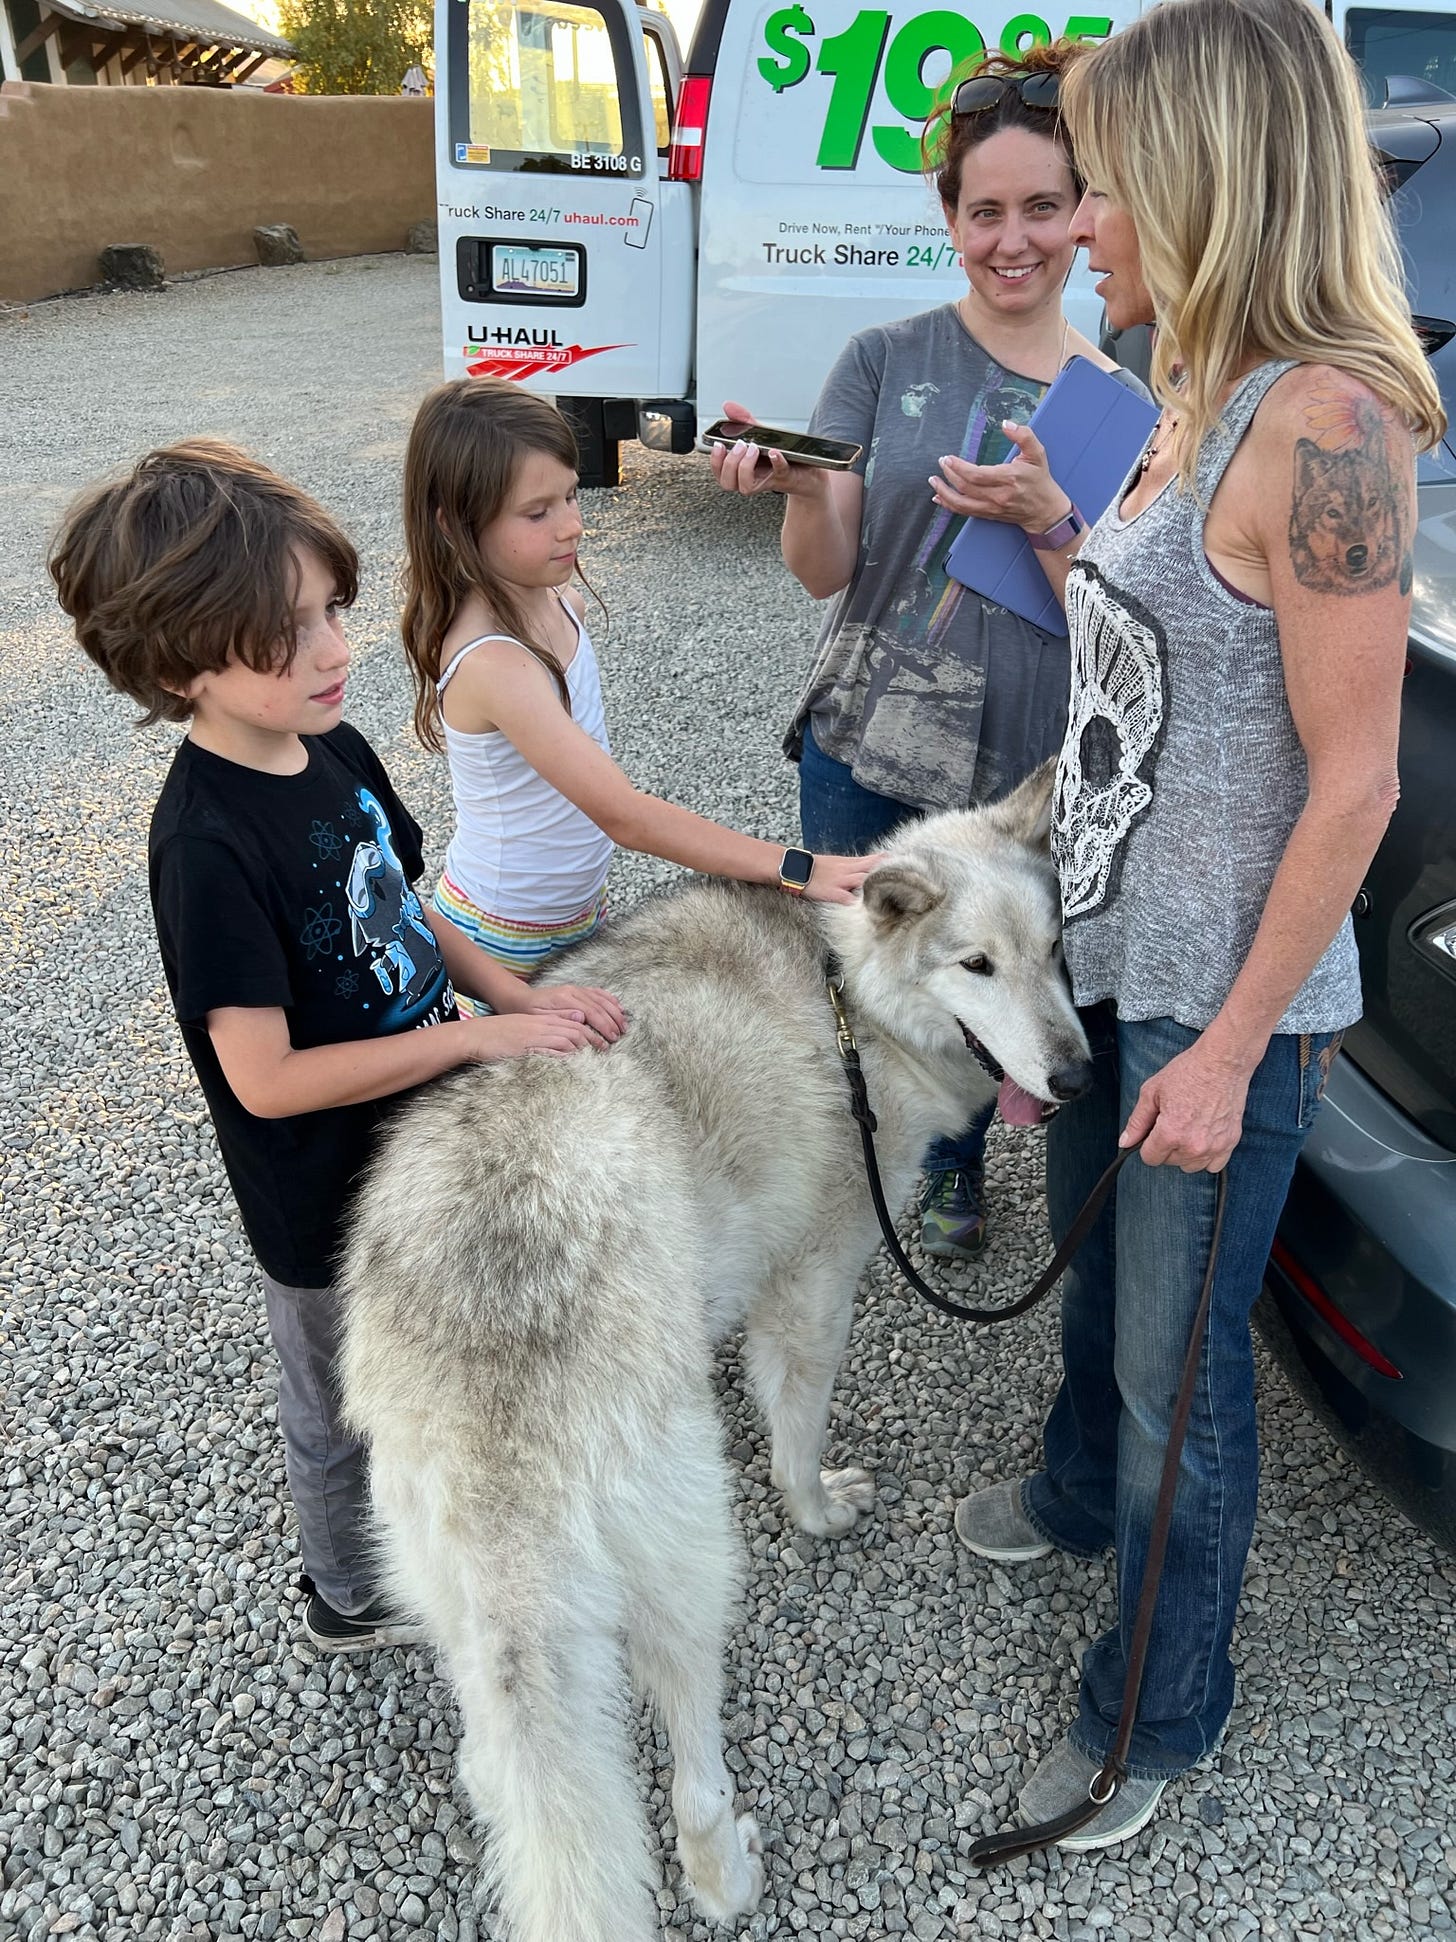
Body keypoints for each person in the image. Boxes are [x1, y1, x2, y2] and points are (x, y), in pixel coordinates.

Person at [948, 0, 1444, 1846]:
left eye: (1105, 187)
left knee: (1180, 1373)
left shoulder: (1324, 418)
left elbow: (1356, 781)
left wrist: (1232, 1049)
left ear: (1207, 174)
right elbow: (1163, 661)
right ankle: (1080, 1496)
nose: (1078, 226)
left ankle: (1153, 1720)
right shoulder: (1177, 387)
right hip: (1107, 965)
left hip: (1212, 1006)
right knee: (1105, 1310)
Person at [49, 442, 627, 1651]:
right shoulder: (204, 847)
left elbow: (412, 916)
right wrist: (476, 1045)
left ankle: (447, 1535)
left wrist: (518, 1001)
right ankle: (351, 1593)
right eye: (284, 631)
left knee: (437, 1367)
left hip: (419, 1149)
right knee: (339, 1405)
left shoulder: (340, 753)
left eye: (332, 611)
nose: (332, 649)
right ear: (176, 659)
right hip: (319, 1201)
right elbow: (263, 1080)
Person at [711, 41, 1147, 1260]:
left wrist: (1047, 519)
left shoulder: (1126, 400)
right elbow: (825, 570)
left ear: (1083, 215)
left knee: (997, 966)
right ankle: (864, 1154)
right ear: (947, 215)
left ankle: (959, 1156)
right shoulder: (882, 360)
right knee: (869, 981)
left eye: (1045, 209)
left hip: (1020, 778)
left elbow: (1123, 619)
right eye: (986, 210)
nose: (1015, 240)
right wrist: (796, 488)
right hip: (864, 746)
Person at [398, 378, 875, 990]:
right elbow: (625, 817)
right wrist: (796, 868)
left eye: (570, 496)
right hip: (503, 931)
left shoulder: (550, 594)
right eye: (537, 512)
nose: (570, 525)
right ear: (452, 524)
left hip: (573, 910)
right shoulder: (494, 662)